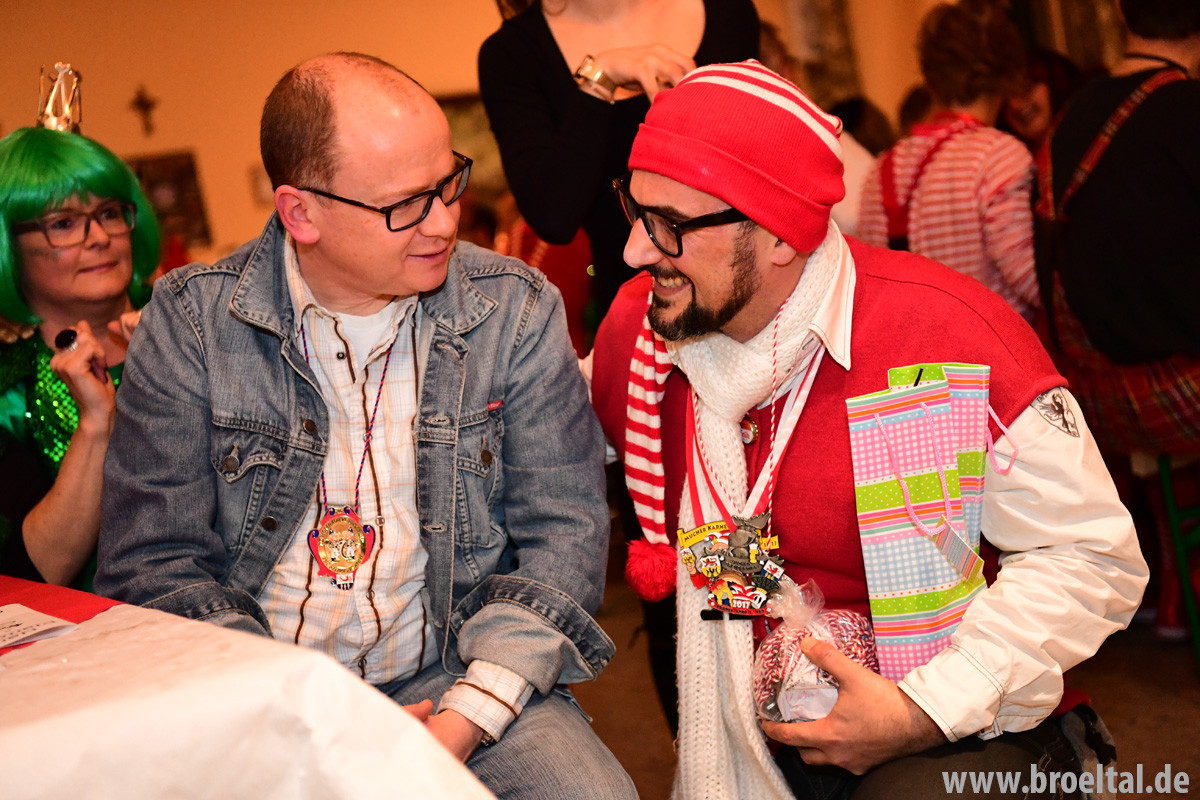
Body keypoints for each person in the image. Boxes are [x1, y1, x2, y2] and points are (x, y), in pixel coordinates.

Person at [588, 59, 1147, 799]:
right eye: (634, 209)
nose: (634, 250)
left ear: (779, 234)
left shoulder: (946, 333)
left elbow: (1091, 556)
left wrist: (922, 710)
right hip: (755, 728)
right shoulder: (642, 336)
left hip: (957, 716)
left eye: (671, 226)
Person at [95, 52, 634, 800]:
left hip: (456, 670)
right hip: (261, 684)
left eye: (448, 183)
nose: (444, 221)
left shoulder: (514, 309)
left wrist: (467, 717)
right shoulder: (191, 323)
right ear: (301, 214)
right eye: (404, 205)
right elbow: (152, 564)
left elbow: (565, 533)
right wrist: (310, 714)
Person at [1035, 0, 1200, 638]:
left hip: (1101, 399)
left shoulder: (1068, 119)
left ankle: (1177, 585)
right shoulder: (1188, 110)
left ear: (1121, 15)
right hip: (1180, 393)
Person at [478, 0, 759, 333]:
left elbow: (760, 169)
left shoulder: (727, 9)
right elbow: (554, 216)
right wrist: (600, 78)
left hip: (750, 291)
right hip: (638, 312)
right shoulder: (512, 54)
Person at [0, 125, 159, 590]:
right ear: (9, 247)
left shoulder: (200, 323)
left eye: (108, 213)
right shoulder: (9, 390)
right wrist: (94, 425)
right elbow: (28, 581)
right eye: (63, 223)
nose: (99, 237)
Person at [857, 0, 1039, 321]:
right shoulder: (1000, 156)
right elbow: (1029, 280)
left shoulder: (883, 169)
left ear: (930, 75)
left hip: (916, 351)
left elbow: (871, 287)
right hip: (993, 346)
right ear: (1007, 71)